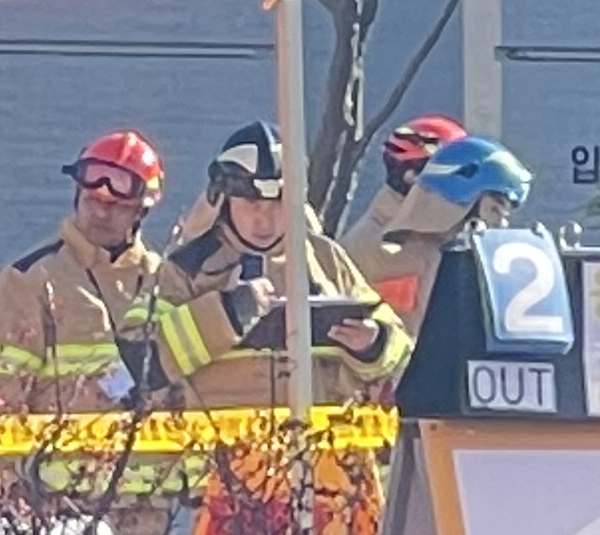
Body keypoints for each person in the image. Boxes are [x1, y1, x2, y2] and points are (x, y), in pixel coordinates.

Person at [141, 122, 412, 408]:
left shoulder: (325, 259)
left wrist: (373, 345)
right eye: (251, 203)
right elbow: (141, 364)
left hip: (317, 434)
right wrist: (226, 314)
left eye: (279, 203)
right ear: (222, 198)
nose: (265, 220)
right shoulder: (185, 268)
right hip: (215, 435)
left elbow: (402, 354)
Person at [0, 130, 163, 414]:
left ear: (140, 210)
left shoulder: (164, 280)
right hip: (60, 443)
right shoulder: (30, 279)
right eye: (91, 200)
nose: (100, 213)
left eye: (114, 206)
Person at [340, 112, 471, 322]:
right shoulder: (381, 249)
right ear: (412, 178)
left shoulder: (441, 229)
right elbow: (409, 329)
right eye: (455, 176)